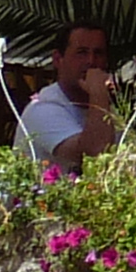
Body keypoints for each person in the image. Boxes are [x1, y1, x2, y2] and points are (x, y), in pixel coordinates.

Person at [20, 21, 117, 174]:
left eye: (98, 53)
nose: (91, 61)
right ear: (58, 59)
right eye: (81, 52)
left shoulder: (108, 110)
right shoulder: (42, 108)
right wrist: (98, 92)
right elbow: (95, 154)